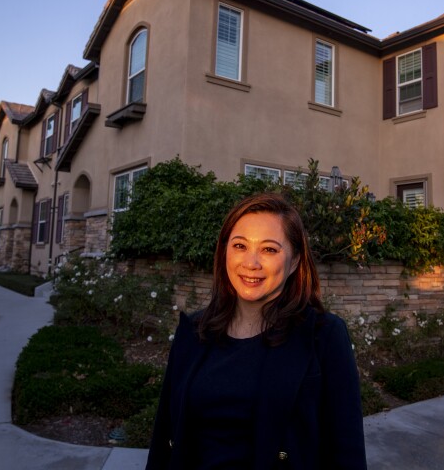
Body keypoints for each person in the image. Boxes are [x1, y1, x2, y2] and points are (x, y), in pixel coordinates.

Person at [146, 192, 367, 469]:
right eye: (240, 245)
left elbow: (347, 452)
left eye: (269, 249)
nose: (251, 263)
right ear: (225, 250)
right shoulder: (193, 332)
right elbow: (163, 439)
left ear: (295, 261)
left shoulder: (323, 336)